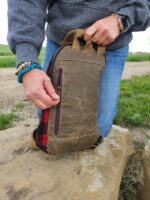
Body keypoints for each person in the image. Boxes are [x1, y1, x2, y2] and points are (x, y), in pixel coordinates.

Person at [7, 0, 150, 137]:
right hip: (61, 41)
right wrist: (27, 60)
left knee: (100, 124)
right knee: (47, 115)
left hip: (111, 45)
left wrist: (121, 20)